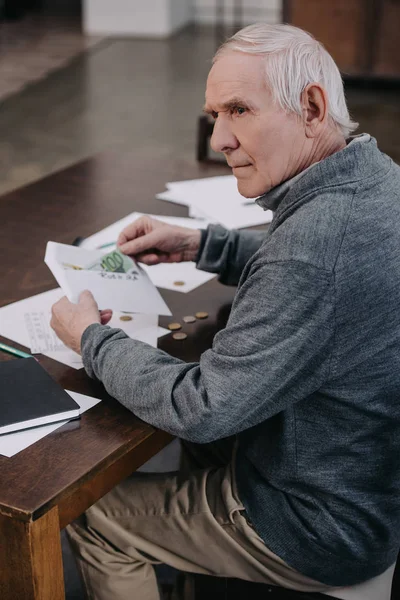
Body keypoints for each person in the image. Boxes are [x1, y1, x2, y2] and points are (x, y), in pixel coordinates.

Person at [51, 23, 400, 600]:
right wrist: (206, 246)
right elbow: (323, 276)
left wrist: (91, 339)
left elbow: (201, 406)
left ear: (311, 107)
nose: (219, 138)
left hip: (323, 522)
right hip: (362, 474)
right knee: (195, 446)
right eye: (215, 114)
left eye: (239, 110)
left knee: (96, 518)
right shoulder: (374, 179)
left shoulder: (314, 249)